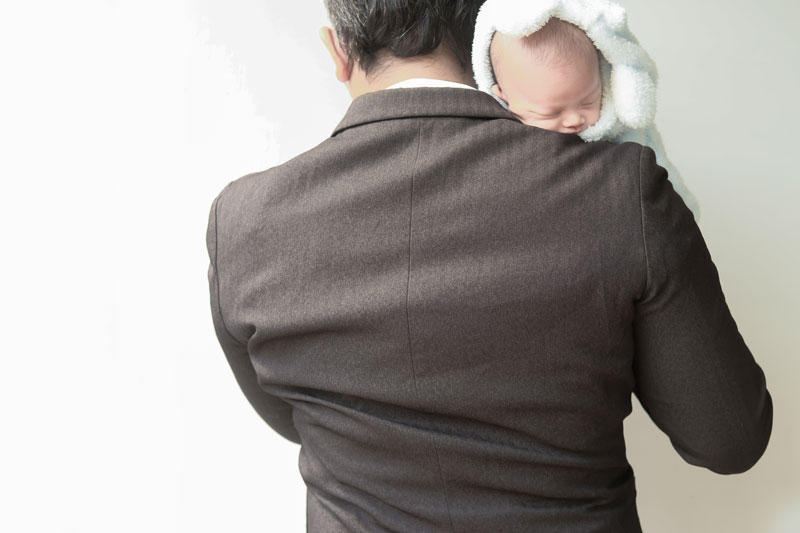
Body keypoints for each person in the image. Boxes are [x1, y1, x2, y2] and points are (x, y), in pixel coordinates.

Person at [205, 1, 773, 531]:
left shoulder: (242, 221)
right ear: (483, 30)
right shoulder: (623, 192)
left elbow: (292, 419)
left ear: (339, 52)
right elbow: (729, 440)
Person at [474, 0, 701, 219]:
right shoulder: (500, 149)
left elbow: (671, 193)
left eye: (588, 102)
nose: (574, 119)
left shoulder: (627, 137)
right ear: (502, 96)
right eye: (551, 113)